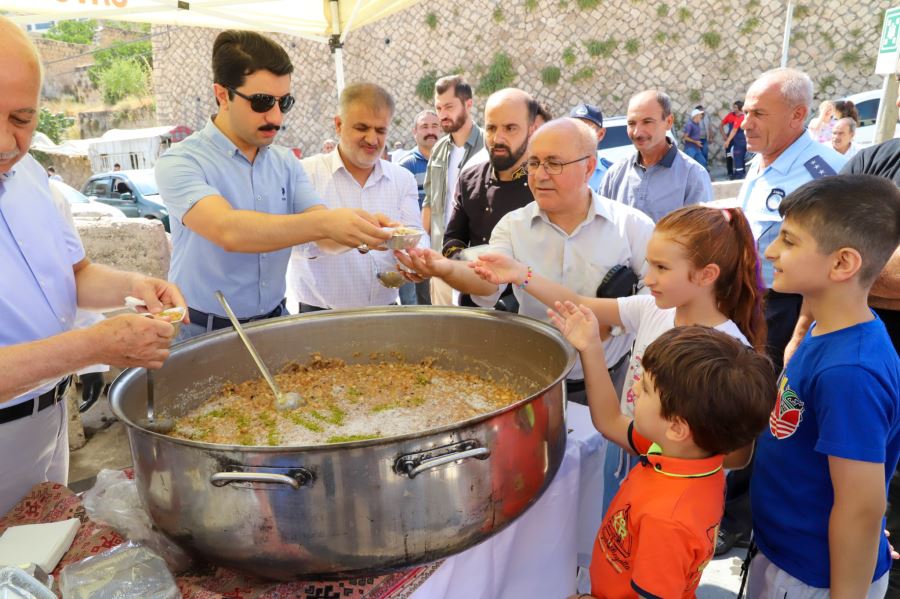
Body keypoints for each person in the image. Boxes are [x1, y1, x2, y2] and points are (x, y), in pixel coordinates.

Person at [0, 16, 185, 514]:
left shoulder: (31, 175)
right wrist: (93, 345)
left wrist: (136, 284)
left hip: (48, 418)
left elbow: (74, 275)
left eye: (21, 119)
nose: (5, 142)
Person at [471, 205, 766, 516]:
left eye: (662, 268)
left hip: (675, 490)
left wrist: (658, 449)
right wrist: (521, 274)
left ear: (707, 274)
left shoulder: (730, 353)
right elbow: (581, 304)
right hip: (626, 453)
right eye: (649, 265)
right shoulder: (653, 309)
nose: (648, 278)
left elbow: (736, 457)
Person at [155, 30, 391, 341]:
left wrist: (363, 230)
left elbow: (325, 238)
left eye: (285, 102)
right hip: (203, 332)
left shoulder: (285, 163)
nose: (276, 117)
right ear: (222, 94)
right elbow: (229, 230)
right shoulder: (181, 161)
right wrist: (326, 222)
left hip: (275, 327)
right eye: (262, 102)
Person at [398, 117, 654, 401]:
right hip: (537, 383)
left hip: (612, 377)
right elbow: (487, 283)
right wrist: (444, 268)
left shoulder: (633, 227)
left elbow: (656, 306)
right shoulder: (513, 226)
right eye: (533, 163)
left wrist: (613, 326)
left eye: (554, 164)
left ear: (589, 167)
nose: (540, 175)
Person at [750, 175, 900, 598]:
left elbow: (861, 508)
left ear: (842, 263)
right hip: (790, 553)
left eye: (789, 241)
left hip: (813, 577)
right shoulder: (829, 330)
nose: (771, 251)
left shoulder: (849, 373)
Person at [722, 66, 848, 556]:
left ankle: (742, 519)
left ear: (798, 116)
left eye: (759, 113)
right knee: (741, 396)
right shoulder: (762, 161)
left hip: (787, 307)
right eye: (746, 110)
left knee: (764, 406)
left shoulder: (823, 174)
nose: (745, 122)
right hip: (749, 301)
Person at [554, 322, 774, 599]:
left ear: (678, 427)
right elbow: (609, 421)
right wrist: (591, 348)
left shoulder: (668, 521)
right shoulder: (689, 453)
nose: (635, 384)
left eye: (645, 388)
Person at [287, 83, 421, 312]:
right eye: (362, 128)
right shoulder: (305, 173)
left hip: (385, 309)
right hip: (319, 311)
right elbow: (292, 245)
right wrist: (349, 237)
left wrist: (416, 258)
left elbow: (414, 232)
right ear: (338, 125)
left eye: (380, 131)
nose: (372, 139)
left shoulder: (403, 179)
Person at [441, 88, 539, 312]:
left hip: (526, 313)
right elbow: (452, 238)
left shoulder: (543, 185)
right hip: (474, 309)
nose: (498, 138)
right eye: (491, 127)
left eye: (510, 128)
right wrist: (462, 262)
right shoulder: (469, 177)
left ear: (532, 130)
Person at [600, 90, 712, 223]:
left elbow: (700, 237)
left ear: (669, 122)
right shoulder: (615, 174)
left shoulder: (693, 176)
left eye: (647, 122)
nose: (637, 132)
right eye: (631, 123)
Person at [421, 75, 484, 306]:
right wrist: (422, 249)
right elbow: (429, 202)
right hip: (441, 261)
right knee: (443, 333)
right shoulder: (437, 150)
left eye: (449, 106)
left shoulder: (488, 147)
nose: (442, 114)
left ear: (468, 104)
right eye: (438, 108)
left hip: (476, 264)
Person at [397, 110, 440, 305]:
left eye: (434, 126)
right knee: (416, 300)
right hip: (415, 246)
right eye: (424, 127)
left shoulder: (448, 162)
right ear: (415, 132)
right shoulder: (406, 165)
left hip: (441, 244)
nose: (430, 131)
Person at [569, 102, 613, 191]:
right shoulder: (557, 169)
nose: (579, 133)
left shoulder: (612, 173)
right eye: (575, 127)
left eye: (586, 129)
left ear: (600, 134)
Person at [721, 100, 747, 179]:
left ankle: (740, 173)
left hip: (738, 140)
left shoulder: (742, 117)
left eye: (736, 107)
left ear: (740, 107)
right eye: (733, 107)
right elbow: (721, 125)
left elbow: (734, 130)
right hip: (733, 139)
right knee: (730, 156)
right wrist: (725, 136)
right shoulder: (730, 115)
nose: (734, 109)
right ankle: (731, 172)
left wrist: (727, 141)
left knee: (738, 156)